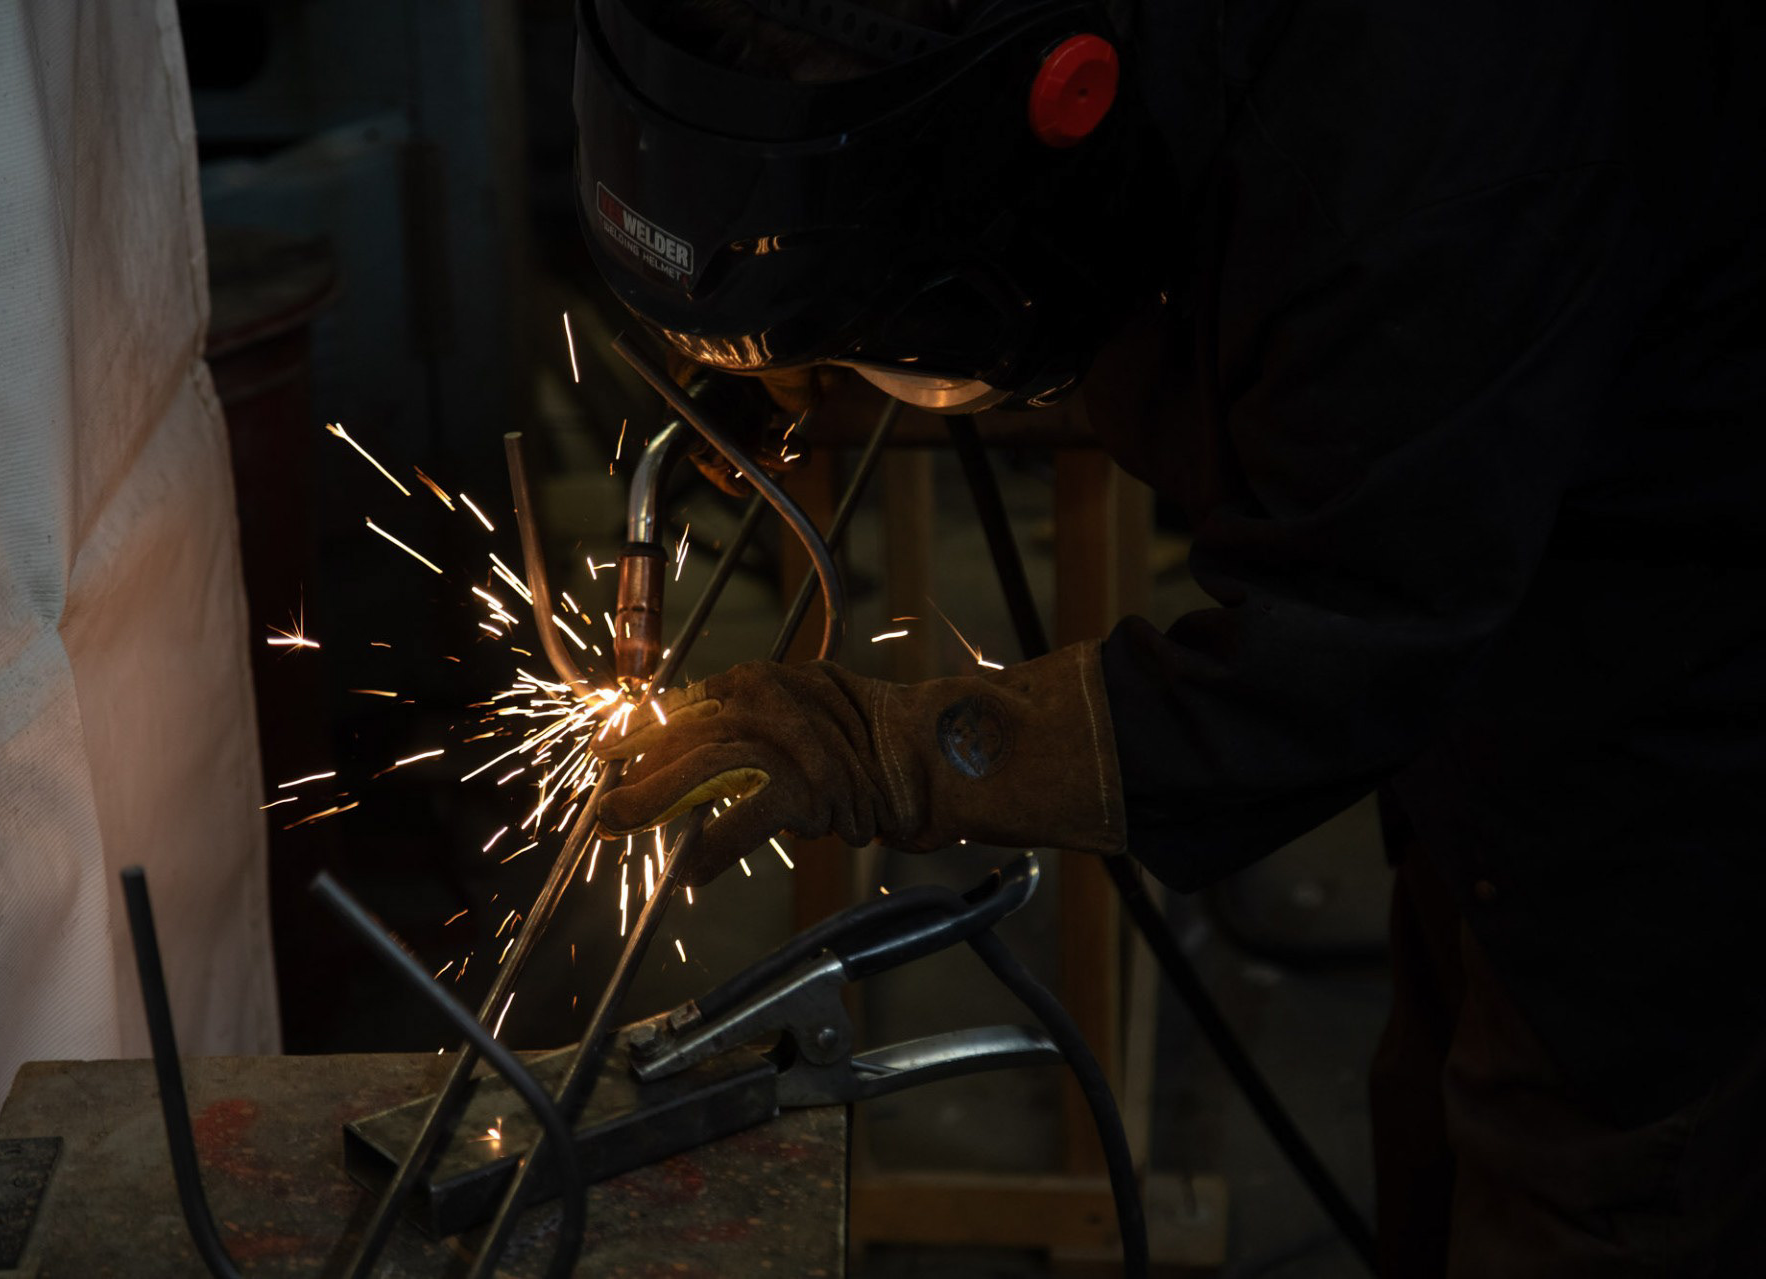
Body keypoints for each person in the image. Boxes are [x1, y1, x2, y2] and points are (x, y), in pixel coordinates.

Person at [571, 1, 1766, 1274]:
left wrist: (911, 752)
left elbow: (1334, 652)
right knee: (1439, 1105)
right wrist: (816, 299)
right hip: (1491, 592)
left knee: (1590, 1148)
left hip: (1673, 673)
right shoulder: (1227, 83)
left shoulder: (1425, 145)